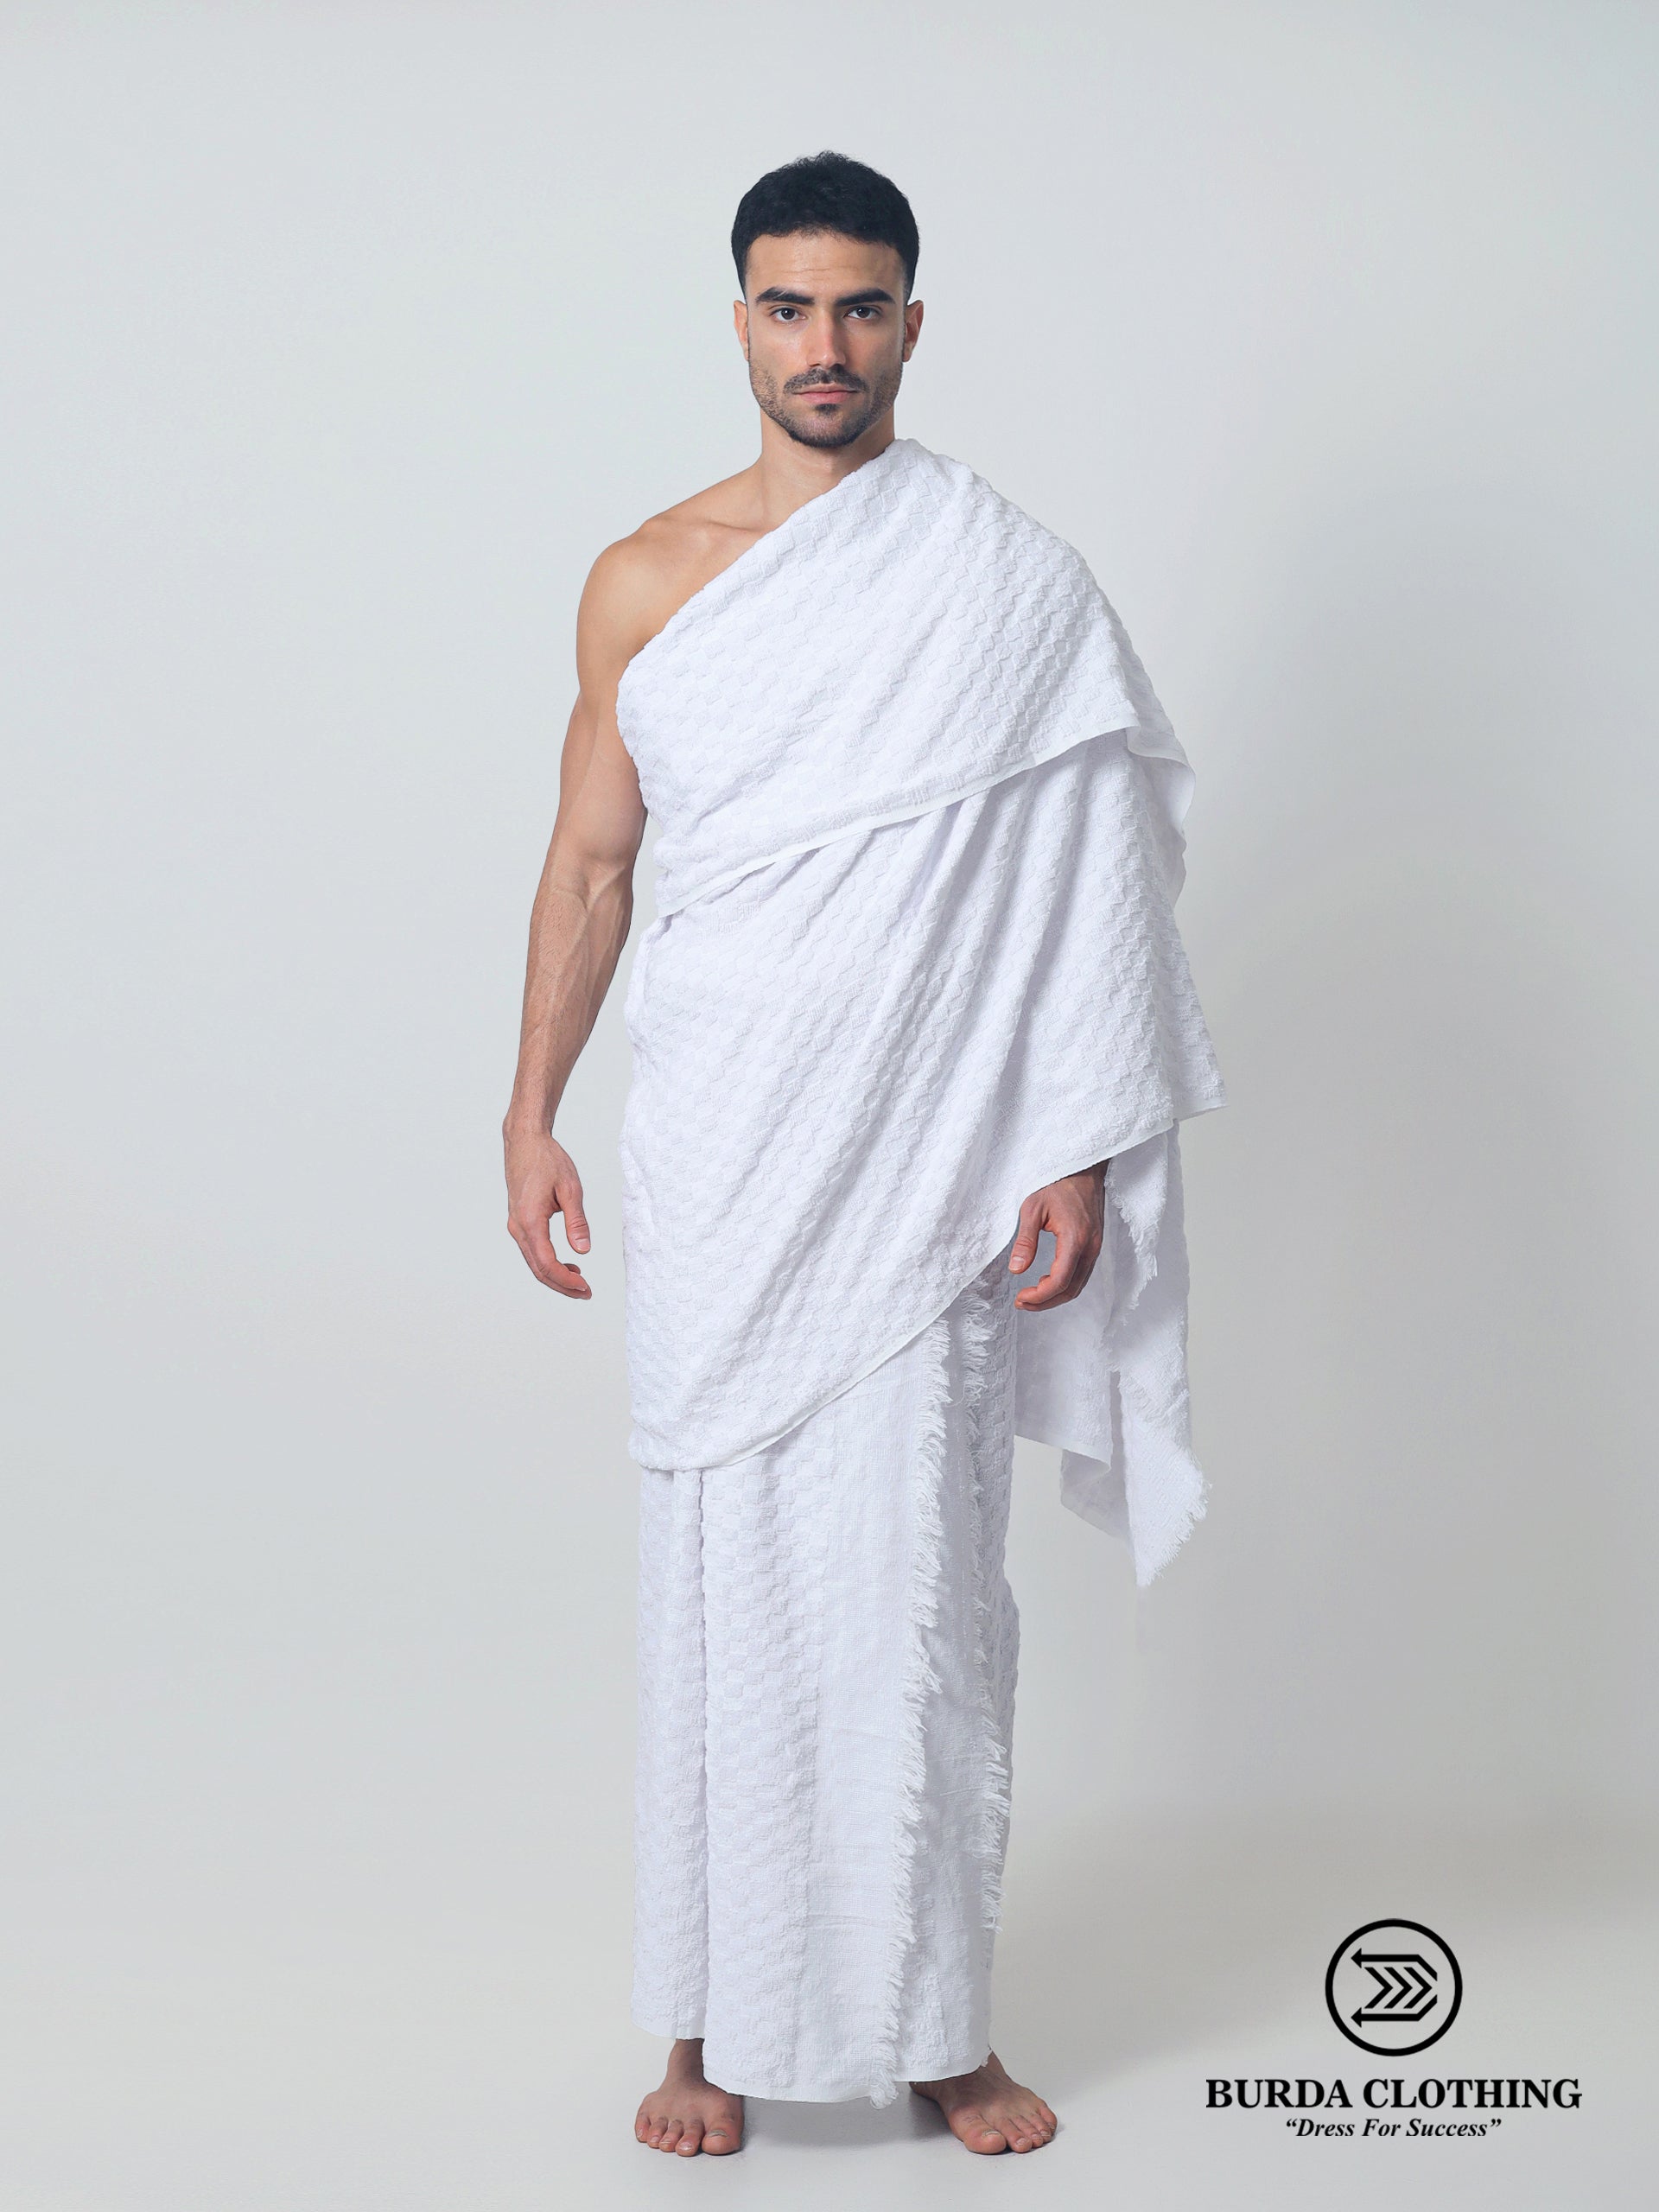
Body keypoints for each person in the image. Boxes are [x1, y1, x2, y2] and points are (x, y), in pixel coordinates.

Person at [503, 150, 1226, 2158]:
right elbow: (592, 864)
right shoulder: (645, 578)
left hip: (937, 1162)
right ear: (739, 319)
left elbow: (1087, 873)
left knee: (921, 1594)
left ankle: (937, 2021)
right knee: (720, 1582)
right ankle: (704, 2025)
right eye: (788, 304)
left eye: (861, 305)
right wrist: (529, 1108)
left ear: (914, 320)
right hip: (724, 1151)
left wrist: (1072, 1144)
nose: (824, 343)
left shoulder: (1007, 581)